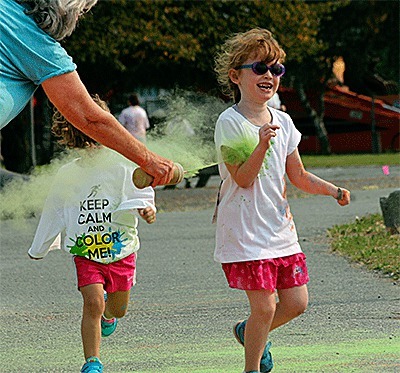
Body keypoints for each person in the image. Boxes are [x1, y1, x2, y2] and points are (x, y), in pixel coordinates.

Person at [213, 28, 350, 373]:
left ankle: (249, 333)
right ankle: (251, 368)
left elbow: (299, 176)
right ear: (236, 76)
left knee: (297, 302)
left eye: (276, 70)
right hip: (246, 231)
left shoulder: (285, 122)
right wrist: (261, 145)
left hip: (279, 229)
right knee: (264, 307)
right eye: (259, 68)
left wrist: (333, 190)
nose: (269, 76)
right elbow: (242, 178)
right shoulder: (229, 122)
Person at [28, 95, 157, 373]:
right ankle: (93, 362)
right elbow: (54, 210)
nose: (92, 144)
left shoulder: (122, 163)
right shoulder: (67, 174)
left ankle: (110, 317)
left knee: (117, 308)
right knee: (93, 302)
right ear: (74, 137)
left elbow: (140, 188)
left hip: (121, 251)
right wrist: (40, 246)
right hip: (85, 252)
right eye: (85, 137)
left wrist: (146, 209)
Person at [0, 0, 174, 186]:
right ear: (66, 10)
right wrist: (148, 160)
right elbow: (89, 117)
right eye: (81, 11)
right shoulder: (37, 44)